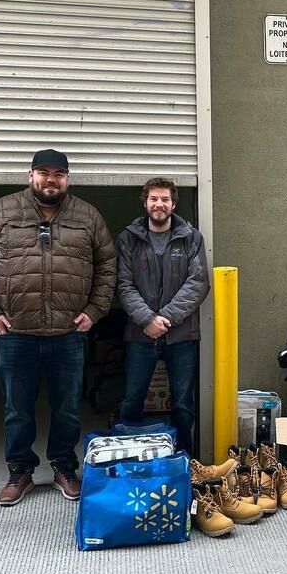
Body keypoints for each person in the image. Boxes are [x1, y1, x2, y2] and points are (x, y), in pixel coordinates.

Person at [0, 149, 116, 506]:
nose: (51, 180)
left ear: (67, 179)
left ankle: (64, 466)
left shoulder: (87, 216)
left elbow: (107, 264)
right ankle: (20, 470)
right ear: (30, 175)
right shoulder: (2, 211)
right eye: (44, 172)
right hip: (16, 332)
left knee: (67, 407)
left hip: (68, 332)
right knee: (17, 408)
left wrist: (95, 310)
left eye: (59, 174)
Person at [115, 178, 210, 454]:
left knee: (183, 403)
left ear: (173, 204)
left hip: (181, 334)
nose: (159, 204)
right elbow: (123, 285)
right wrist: (147, 320)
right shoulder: (128, 239)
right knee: (132, 399)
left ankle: (183, 458)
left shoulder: (191, 238)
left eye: (165, 199)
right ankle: (130, 457)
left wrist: (164, 318)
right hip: (140, 333)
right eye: (154, 199)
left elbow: (198, 283)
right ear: (145, 202)